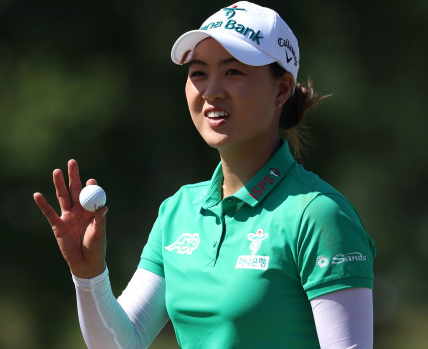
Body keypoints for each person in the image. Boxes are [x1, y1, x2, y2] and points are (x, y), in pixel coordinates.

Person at [33, 2, 376, 348]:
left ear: (282, 89)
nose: (212, 91)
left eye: (233, 72)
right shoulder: (178, 211)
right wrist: (88, 275)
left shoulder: (319, 215)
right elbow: (120, 344)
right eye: (198, 73)